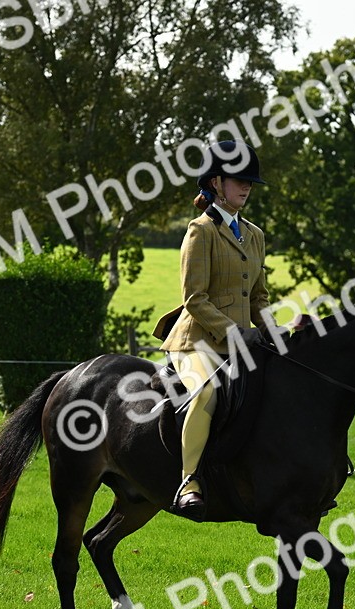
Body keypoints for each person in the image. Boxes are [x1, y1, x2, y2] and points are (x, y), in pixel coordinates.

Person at [151, 140, 270, 521]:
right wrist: (234, 333)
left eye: (250, 182)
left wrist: (276, 333)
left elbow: (259, 298)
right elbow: (194, 299)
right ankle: (190, 482)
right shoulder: (200, 231)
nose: (247, 187)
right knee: (208, 391)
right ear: (217, 182)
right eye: (240, 180)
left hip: (242, 343)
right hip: (195, 342)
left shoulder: (254, 235)